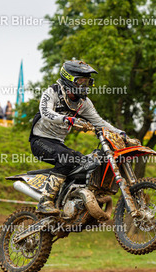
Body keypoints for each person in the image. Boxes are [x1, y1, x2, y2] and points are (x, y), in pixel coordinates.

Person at [29, 60, 126, 215]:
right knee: (66, 158)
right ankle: (45, 201)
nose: (85, 86)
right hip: (40, 140)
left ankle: (74, 201)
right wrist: (68, 119)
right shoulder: (52, 92)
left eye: (87, 82)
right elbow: (45, 113)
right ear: (69, 79)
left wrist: (120, 133)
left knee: (89, 164)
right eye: (81, 81)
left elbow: (99, 122)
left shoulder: (83, 102)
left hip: (59, 143)